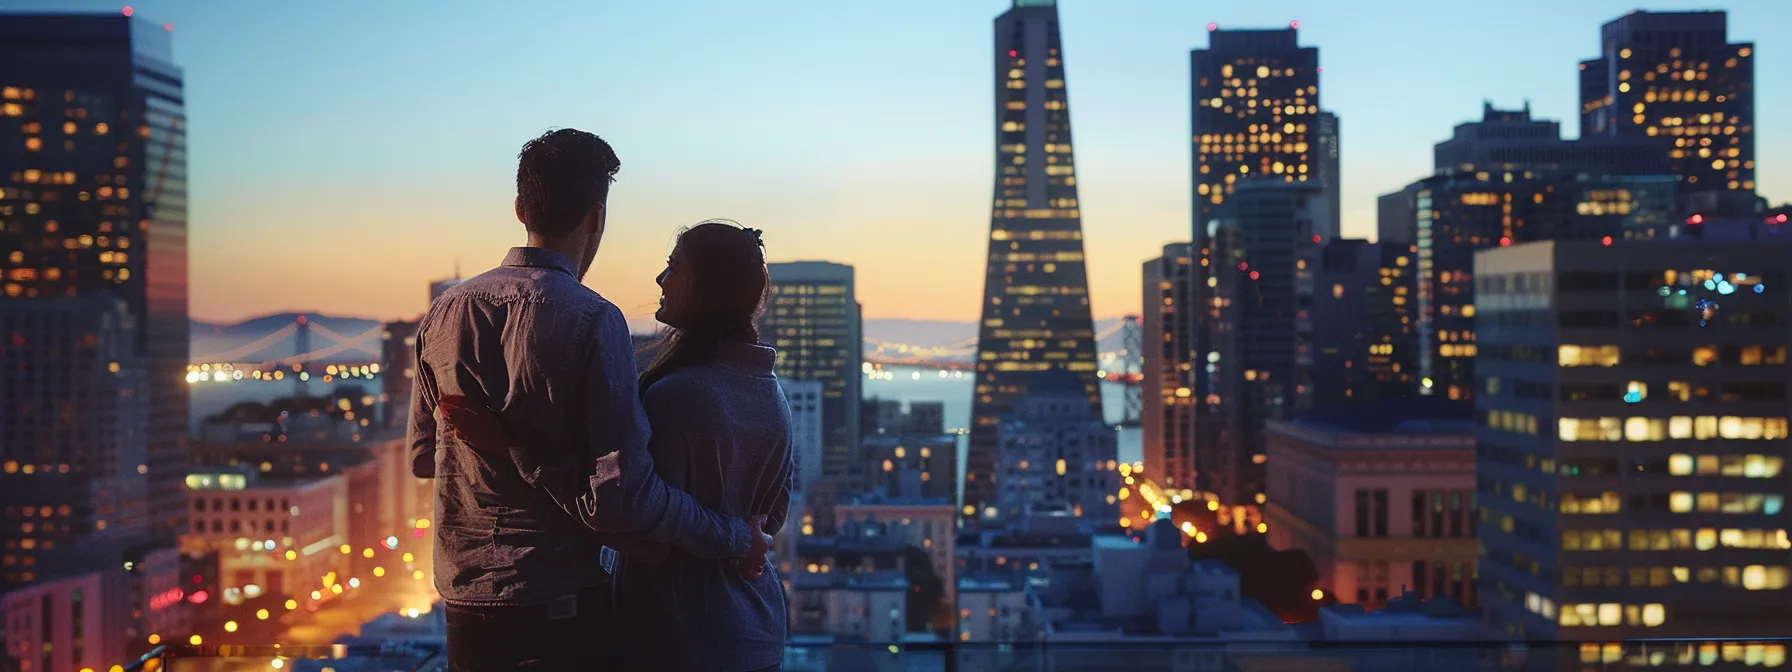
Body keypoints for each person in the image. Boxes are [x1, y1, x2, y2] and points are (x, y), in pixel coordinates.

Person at [408, 129, 772, 671]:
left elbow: (421, 458)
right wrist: (733, 536)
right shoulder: (592, 320)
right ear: (597, 217)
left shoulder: (444, 312)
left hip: (463, 605)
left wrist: (499, 446)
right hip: (559, 605)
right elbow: (621, 494)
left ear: (518, 207)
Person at [613, 220, 794, 672]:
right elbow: (771, 519)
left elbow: (641, 520)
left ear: (707, 287)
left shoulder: (678, 396)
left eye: (674, 267)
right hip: (757, 627)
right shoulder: (772, 394)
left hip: (680, 635)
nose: (661, 279)